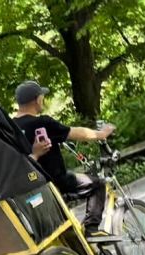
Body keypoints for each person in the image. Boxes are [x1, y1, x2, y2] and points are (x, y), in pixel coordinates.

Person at [12, 80, 116, 236]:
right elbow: (76, 133)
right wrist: (101, 134)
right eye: (42, 97)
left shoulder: (10, 127)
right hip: (57, 181)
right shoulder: (42, 123)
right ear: (37, 99)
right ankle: (91, 229)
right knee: (97, 184)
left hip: (31, 187)